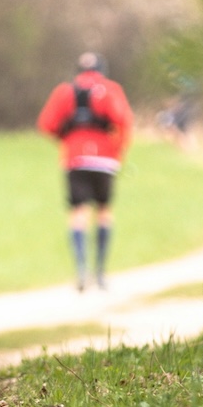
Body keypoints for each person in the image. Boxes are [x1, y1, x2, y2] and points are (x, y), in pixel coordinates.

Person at [36, 52, 134, 291]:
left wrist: (66, 138)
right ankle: (100, 272)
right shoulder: (111, 90)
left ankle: (81, 270)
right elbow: (124, 122)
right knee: (104, 211)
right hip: (105, 160)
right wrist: (118, 151)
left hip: (75, 158)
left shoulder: (65, 92)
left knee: (77, 213)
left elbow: (46, 124)